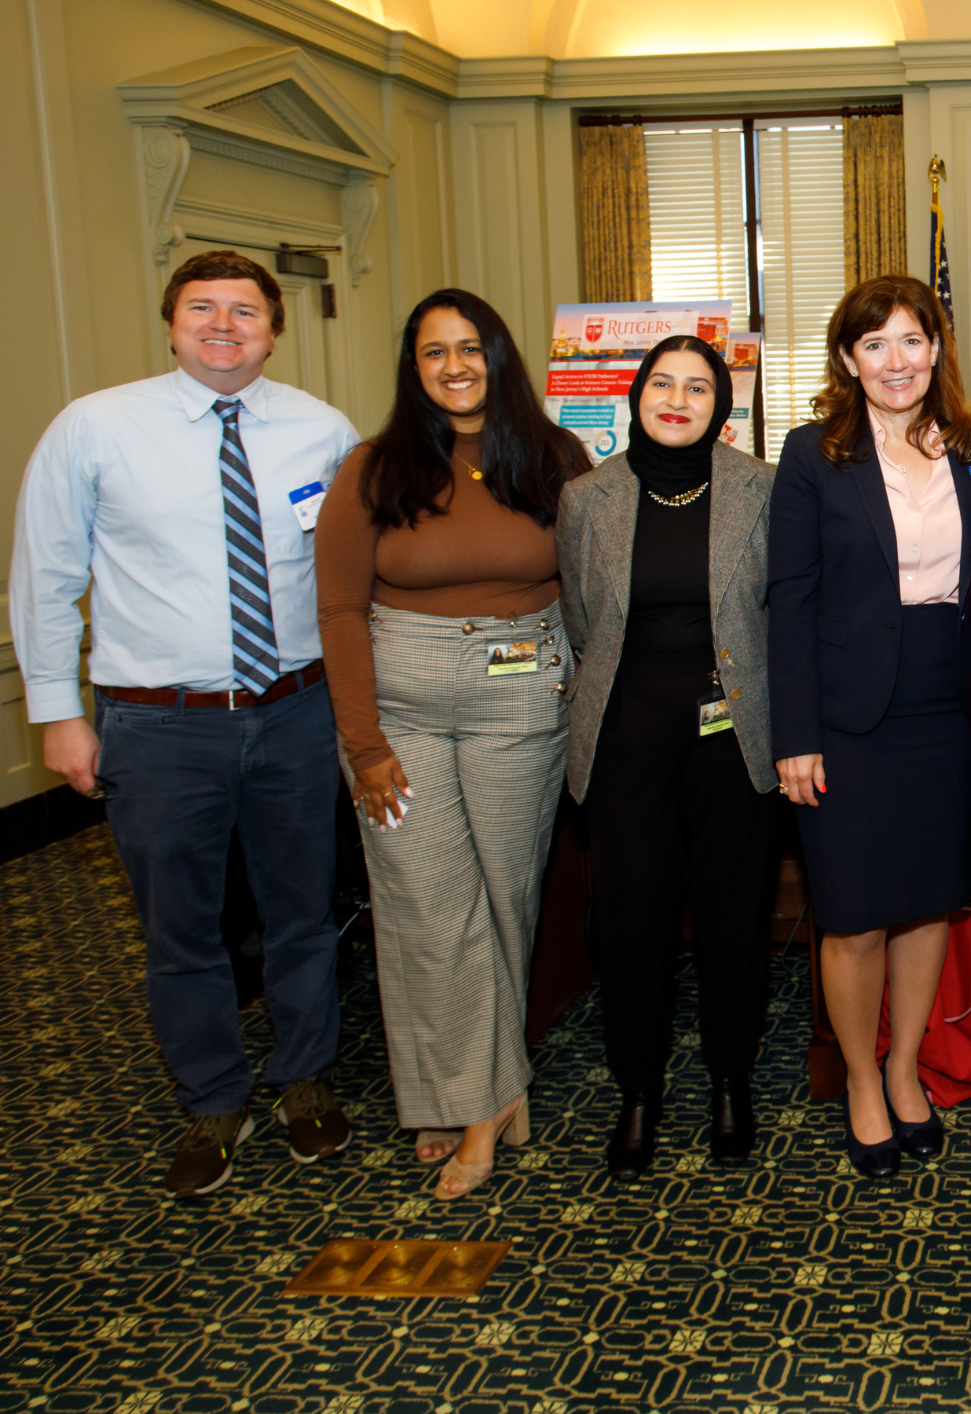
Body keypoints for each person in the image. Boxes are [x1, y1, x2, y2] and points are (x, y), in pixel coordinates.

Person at [10, 250, 358, 1195]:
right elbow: (45, 580)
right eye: (202, 308)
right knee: (180, 928)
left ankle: (305, 1079)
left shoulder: (322, 432)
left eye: (245, 311)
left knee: (304, 912)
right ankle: (212, 1094)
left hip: (295, 711)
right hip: (159, 725)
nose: (223, 325)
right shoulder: (95, 428)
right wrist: (57, 715)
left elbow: (349, 578)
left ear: (273, 330)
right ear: (170, 323)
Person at [314, 288, 589, 1200]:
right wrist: (365, 744)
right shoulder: (371, 470)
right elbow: (340, 610)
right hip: (403, 712)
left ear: (499, 358)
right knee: (426, 908)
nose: (455, 366)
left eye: (470, 348)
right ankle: (478, 1103)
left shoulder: (554, 460)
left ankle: (466, 1092)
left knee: (504, 898)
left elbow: (590, 591)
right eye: (434, 353)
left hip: (520, 702)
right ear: (414, 369)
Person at [769, 275, 971, 1179]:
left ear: (936, 349)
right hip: (847, 716)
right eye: (874, 345)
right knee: (857, 915)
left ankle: (907, 1068)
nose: (895, 361)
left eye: (911, 341)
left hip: (948, 703)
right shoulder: (811, 454)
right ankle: (861, 1077)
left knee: (926, 902)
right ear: (845, 360)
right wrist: (796, 733)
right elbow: (788, 600)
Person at [557, 335, 780, 1181]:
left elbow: (772, 611)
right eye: (662, 383)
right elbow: (583, 622)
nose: (678, 398)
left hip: (736, 736)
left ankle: (730, 1077)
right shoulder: (586, 498)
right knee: (632, 919)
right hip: (625, 734)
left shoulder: (760, 489)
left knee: (734, 915)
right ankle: (638, 1089)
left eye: (697, 386)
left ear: (722, 405)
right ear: (636, 395)